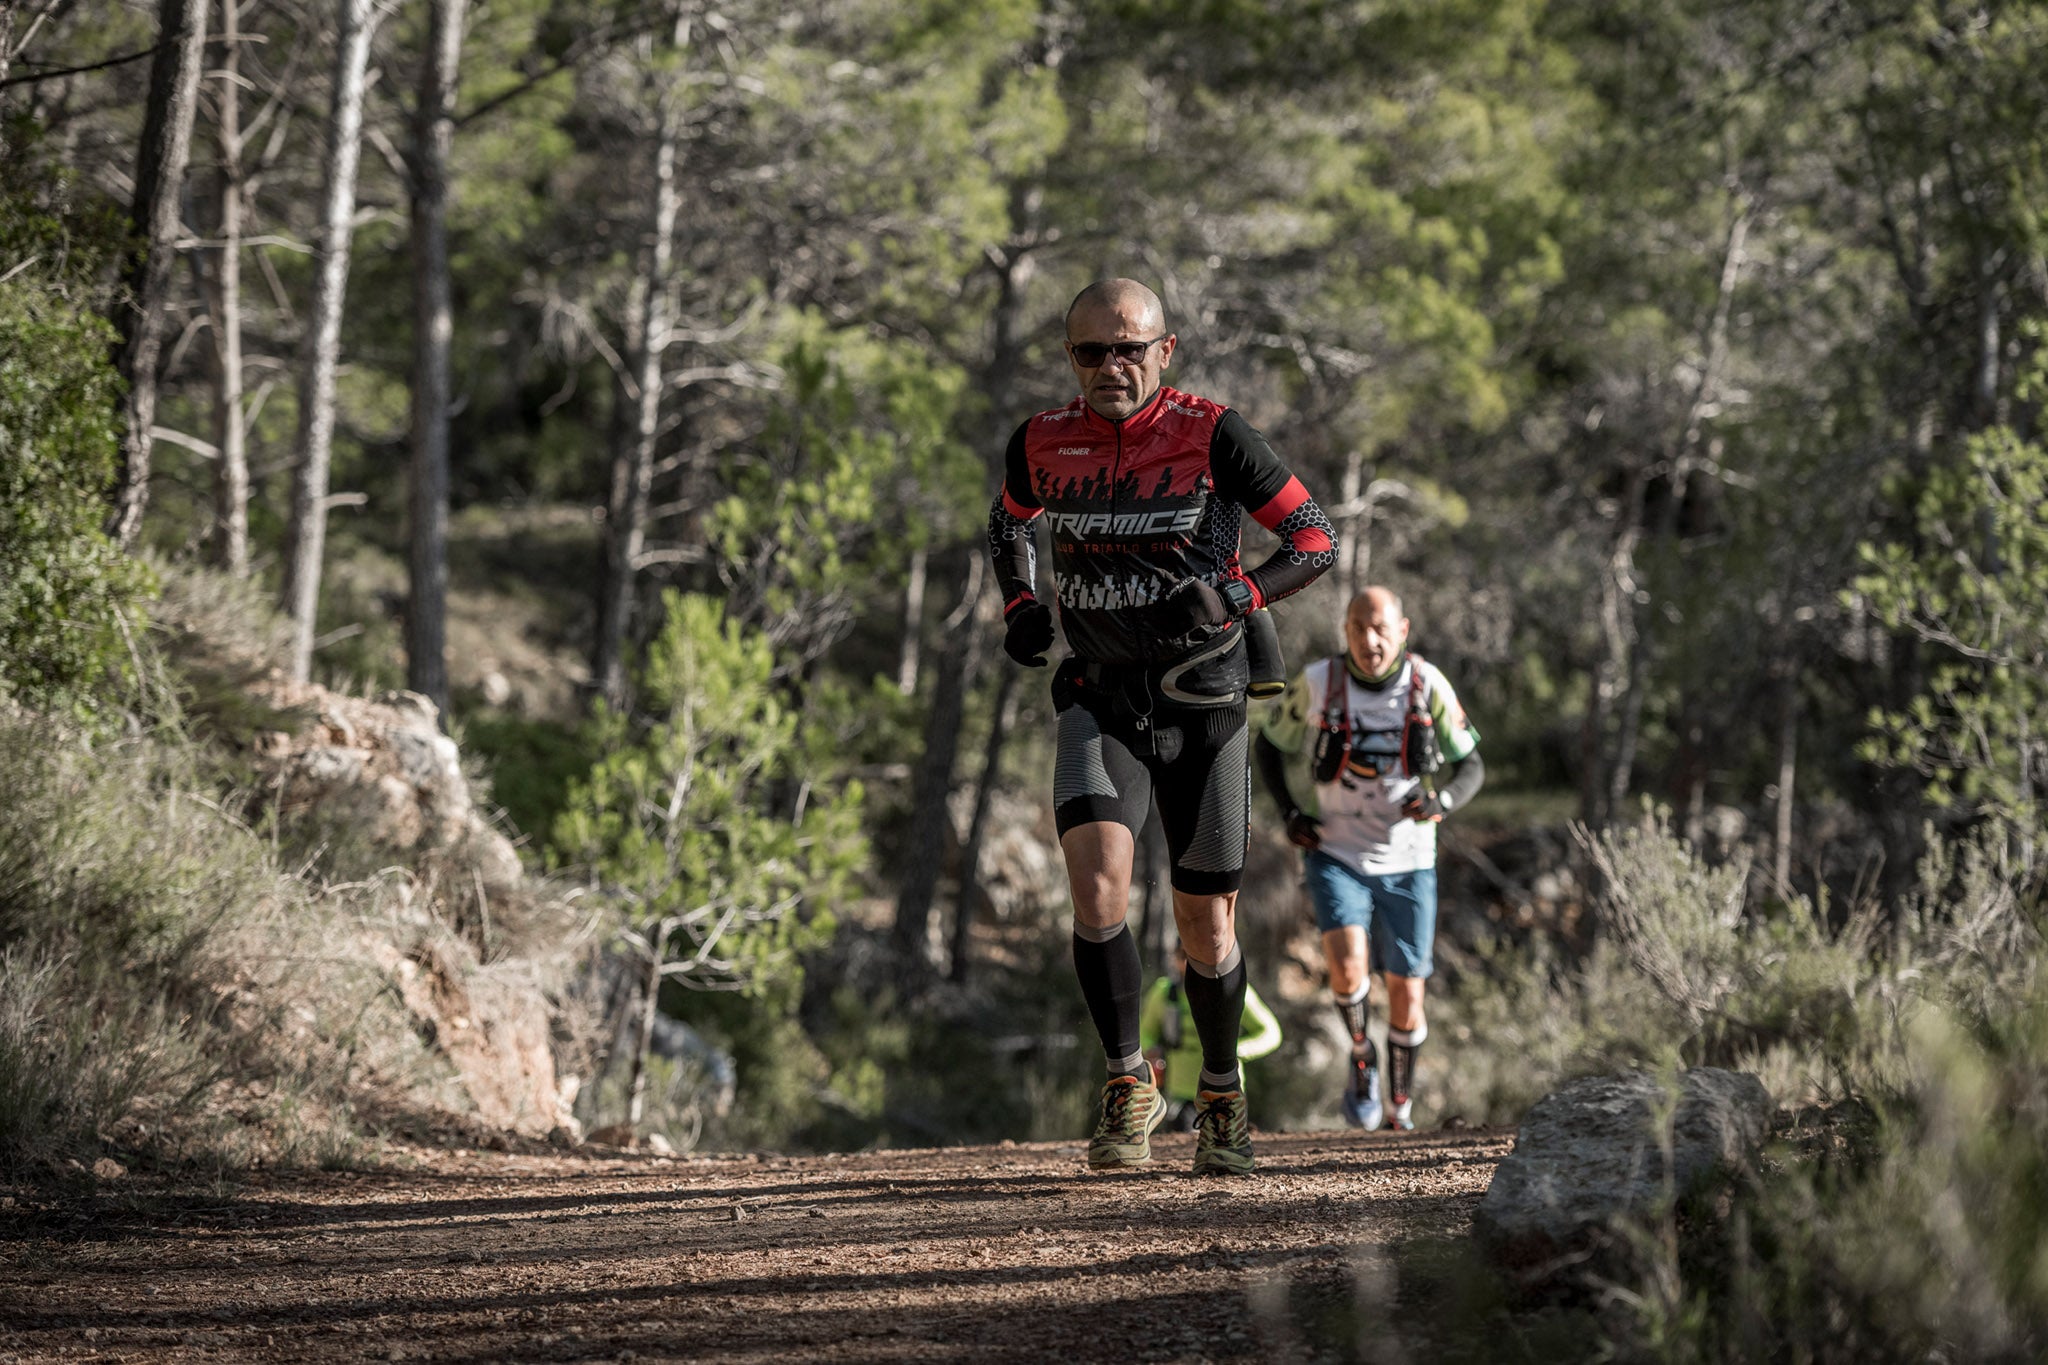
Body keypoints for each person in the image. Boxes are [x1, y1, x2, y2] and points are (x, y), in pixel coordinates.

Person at [987, 278, 1336, 1175]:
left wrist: (1236, 592)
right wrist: (1020, 601)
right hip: (1100, 700)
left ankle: (1219, 1088)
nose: (1110, 366)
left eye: (1128, 348)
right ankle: (1125, 1080)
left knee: (1203, 929)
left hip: (1204, 707)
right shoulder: (1041, 441)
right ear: (1070, 358)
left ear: (1165, 350)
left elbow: (1313, 539)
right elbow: (1008, 520)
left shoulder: (1214, 434)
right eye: (1089, 351)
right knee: (1098, 889)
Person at [1252, 587, 1483, 1131]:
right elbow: (1269, 745)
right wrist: (1289, 813)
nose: (1369, 640)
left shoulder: (1427, 685)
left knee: (1406, 993)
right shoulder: (1319, 684)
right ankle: (1361, 1054)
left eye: (1380, 628)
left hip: (1409, 859)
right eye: (1358, 628)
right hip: (1336, 853)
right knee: (1348, 968)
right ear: (1346, 631)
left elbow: (1470, 763)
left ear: (1402, 630)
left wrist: (1442, 801)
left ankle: (1399, 1106)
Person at [1141, 946, 1282, 1131]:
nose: (1188, 962)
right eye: (1184, 956)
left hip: (1226, 1092)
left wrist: (1237, 1051)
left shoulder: (1234, 990)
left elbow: (1271, 1032)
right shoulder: (1164, 993)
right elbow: (1144, 1032)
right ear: (1175, 958)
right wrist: (1153, 1051)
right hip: (1181, 1096)